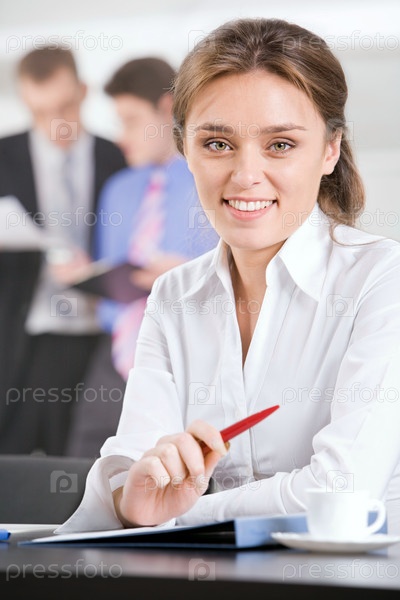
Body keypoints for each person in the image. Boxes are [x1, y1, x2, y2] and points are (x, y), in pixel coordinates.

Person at [57, 18, 400, 535]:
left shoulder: (381, 280)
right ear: (185, 149)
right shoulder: (173, 296)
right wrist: (134, 501)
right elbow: (132, 467)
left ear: (330, 150)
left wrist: (177, 515)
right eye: (217, 143)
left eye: (280, 144)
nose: (245, 176)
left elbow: (341, 491)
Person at [65, 57, 218, 458]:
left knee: (178, 461)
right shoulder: (118, 189)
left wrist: (183, 275)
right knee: (87, 461)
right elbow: (110, 275)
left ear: (166, 109)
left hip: (188, 350)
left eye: (131, 121)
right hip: (117, 351)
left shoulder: (213, 181)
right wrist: (86, 275)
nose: (122, 137)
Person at [0, 45, 126, 455]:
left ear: (83, 91)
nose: (55, 124)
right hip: (25, 335)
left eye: (64, 107)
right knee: (15, 459)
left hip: (100, 336)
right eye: (39, 112)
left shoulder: (117, 157)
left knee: (87, 457)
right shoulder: (3, 156)